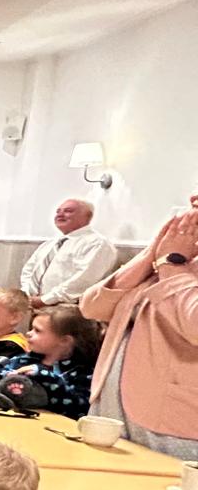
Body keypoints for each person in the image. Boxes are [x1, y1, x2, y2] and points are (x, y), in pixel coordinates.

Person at [80, 190, 198, 459]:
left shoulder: (175, 258)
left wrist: (172, 264)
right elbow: (91, 307)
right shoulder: (178, 251)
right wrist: (151, 255)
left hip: (175, 422)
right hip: (113, 404)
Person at [0, 305, 100, 420]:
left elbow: (79, 408)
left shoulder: (83, 373)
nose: (28, 333)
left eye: (37, 331)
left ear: (64, 341)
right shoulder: (23, 359)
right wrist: (6, 377)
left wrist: (46, 376)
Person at [19, 198, 118, 308]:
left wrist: (45, 300)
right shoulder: (50, 244)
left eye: (68, 211)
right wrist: (27, 294)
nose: (60, 215)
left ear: (87, 216)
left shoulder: (97, 243)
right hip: (33, 304)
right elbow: (29, 270)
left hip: (67, 308)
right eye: (58, 211)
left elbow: (84, 280)